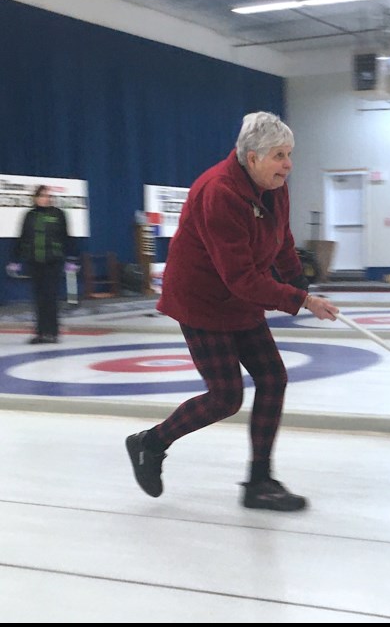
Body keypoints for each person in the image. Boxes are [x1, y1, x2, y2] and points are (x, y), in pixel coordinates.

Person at [125, 111, 339, 511]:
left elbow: (281, 238)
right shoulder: (219, 191)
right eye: (279, 156)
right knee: (226, 396)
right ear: (252, 158)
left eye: (289, 154)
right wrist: (301, 301)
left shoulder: (273, 186)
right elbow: (239, 277)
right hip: (201, 300)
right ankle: (149, 443)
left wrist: (299, 280)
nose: (288, 165)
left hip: (239, 297)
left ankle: (258, 482)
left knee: (273, 377)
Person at [10, 185, 72, 344]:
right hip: (34, 262)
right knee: (38, 299)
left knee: (50, 297)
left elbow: (66, 238)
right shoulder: (30, 215)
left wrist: (71, 259)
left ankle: (52, 332)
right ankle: (40, 333)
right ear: (36, 198)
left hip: (53, 262)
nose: (46, 198)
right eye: (43, 195)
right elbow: (22, 237)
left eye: (48, 196)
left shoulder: (58, 214)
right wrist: (15, 260)